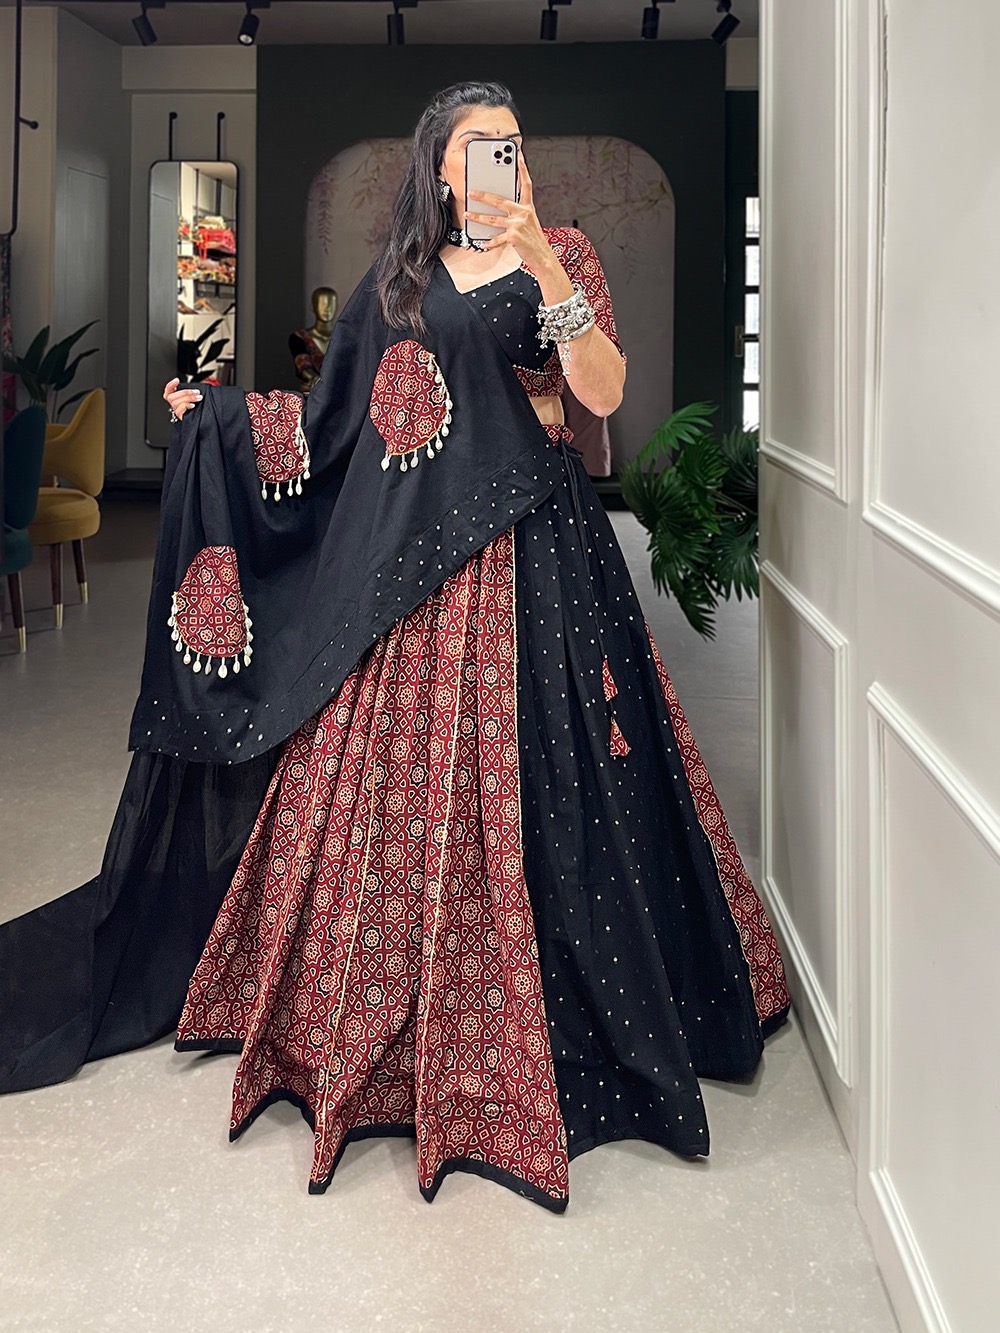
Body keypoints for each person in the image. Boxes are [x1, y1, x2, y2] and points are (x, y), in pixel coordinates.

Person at [0, 82, 789, 1213]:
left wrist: (545, 262)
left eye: (511, 144)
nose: (501, 161)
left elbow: (602, 391)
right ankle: (378, 1021)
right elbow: (335, 429)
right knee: (396, 797)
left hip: (546, 553)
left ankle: (575, 1007)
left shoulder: (560, 251)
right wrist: (218, 418)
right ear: (438, 169)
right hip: (420, 572)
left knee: (567, 784)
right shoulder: (399, 284)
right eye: (478, 148)